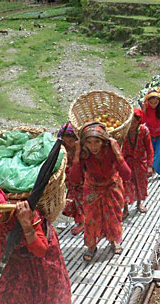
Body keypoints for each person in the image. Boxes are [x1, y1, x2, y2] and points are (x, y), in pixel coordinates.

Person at [69, 122, 131, 262]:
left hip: (112, 186)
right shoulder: (84, 153)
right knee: (91, 218)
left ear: (104, 141)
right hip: (92, 188)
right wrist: (78, 155)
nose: (93, 146)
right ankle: (92, 245)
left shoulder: (110, 150)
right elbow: (75, 179)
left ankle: (113, 240)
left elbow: (127, 175)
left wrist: (117, 152)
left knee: (114, 216)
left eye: (97, 141)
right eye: (89, 142)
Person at [122, 108, 154, 214]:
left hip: (140, 162)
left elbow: (149, 149)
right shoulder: (123, 131)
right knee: (125, 184)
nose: (132, 124)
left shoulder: (144, 131)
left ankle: (139, 203)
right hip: (127, 162)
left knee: (140, 183)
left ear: (138, 121)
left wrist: (150, 165)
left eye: (134, 121)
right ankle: (125, 207)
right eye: (129, 121)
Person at [58, 122, 84, 235]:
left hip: (82, 179)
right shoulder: (63, 149)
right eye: (66, 141)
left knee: (82, 200)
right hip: (70, 180)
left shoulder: (82, 148)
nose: (69, 143)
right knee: (76, 200)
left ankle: (84, 222)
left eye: (71, 141)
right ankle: (81, 221)